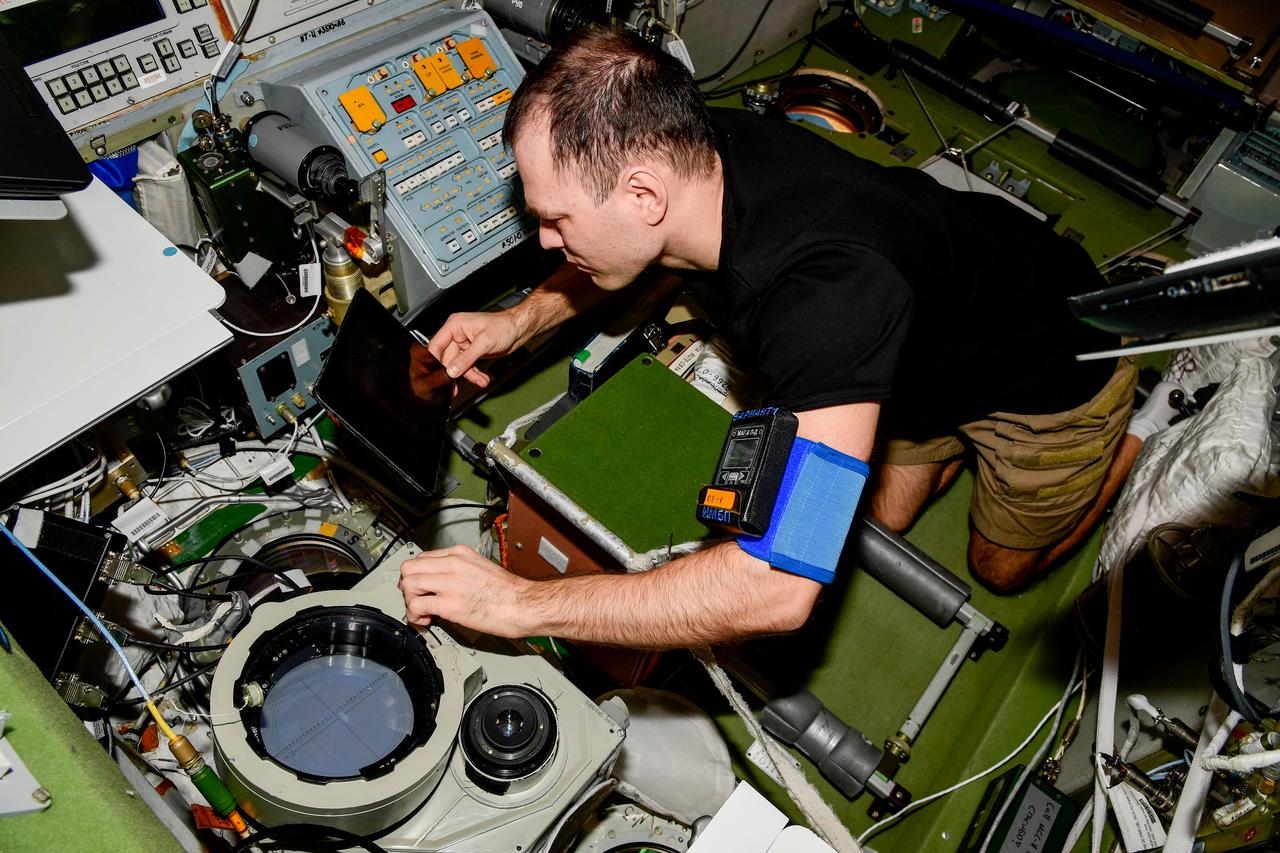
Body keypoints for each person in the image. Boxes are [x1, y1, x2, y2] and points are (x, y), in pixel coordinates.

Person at [399, 25, 1139, 648]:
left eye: (557, 220)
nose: (547, 241)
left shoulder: (831, 303)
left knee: (997, 568)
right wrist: (518, 320)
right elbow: (637, 258)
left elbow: (776, 583)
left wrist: (518, 604)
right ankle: (946, 443)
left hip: (1050, 363)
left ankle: (1126, 447)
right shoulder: (697, 148)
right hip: (922, 348)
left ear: (644, 193)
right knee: (886, 515)